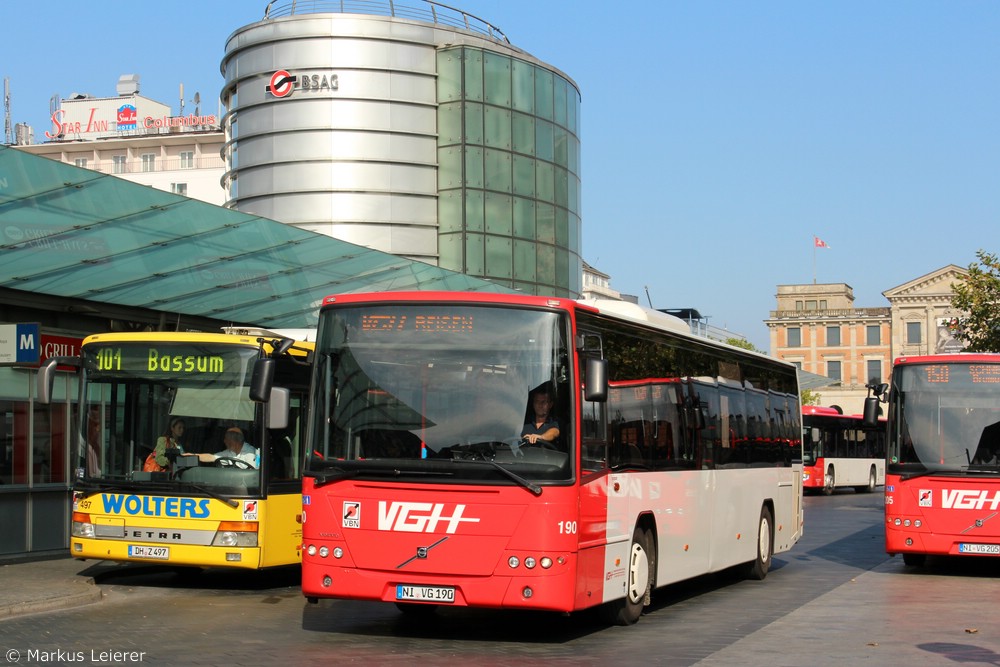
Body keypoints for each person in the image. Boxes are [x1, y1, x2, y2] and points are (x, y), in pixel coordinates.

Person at [194, 427, 258, 468]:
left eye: (226, 439)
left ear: (234, 441)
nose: (224, 441)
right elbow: (211, 457)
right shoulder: (229, 452)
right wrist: (192, 456)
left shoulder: (252, 453)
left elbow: (254, 474)